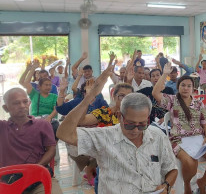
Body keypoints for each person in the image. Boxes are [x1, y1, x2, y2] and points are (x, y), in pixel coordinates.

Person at [57, 65, 178, 194]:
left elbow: (172, 169)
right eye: (130, 124)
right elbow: (64, 133)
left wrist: (166, 185)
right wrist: (89, 97)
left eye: (142, 125)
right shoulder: (104, 136)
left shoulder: (157, 136)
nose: (136, 130)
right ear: (120, 116)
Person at [153, 63, 206, 194]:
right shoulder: (173, 100)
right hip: (179, 140)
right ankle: (187, 185)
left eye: (189, 86)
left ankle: (202, 182)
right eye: (183, 85)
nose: (185, 88)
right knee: (190, 163)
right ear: (178, 87)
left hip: (198, 138)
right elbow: (155, 92)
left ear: (194, 88)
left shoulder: (198, 103)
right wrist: (164, 74)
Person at [0, 88, 63, 193]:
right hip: (9, 181)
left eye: (25, 102)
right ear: (6, 108)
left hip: (38, 179)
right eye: (16, 103)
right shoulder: (2, 127)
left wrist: (35, 168)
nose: (22, 106)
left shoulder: (43, 124)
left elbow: (51, 150)